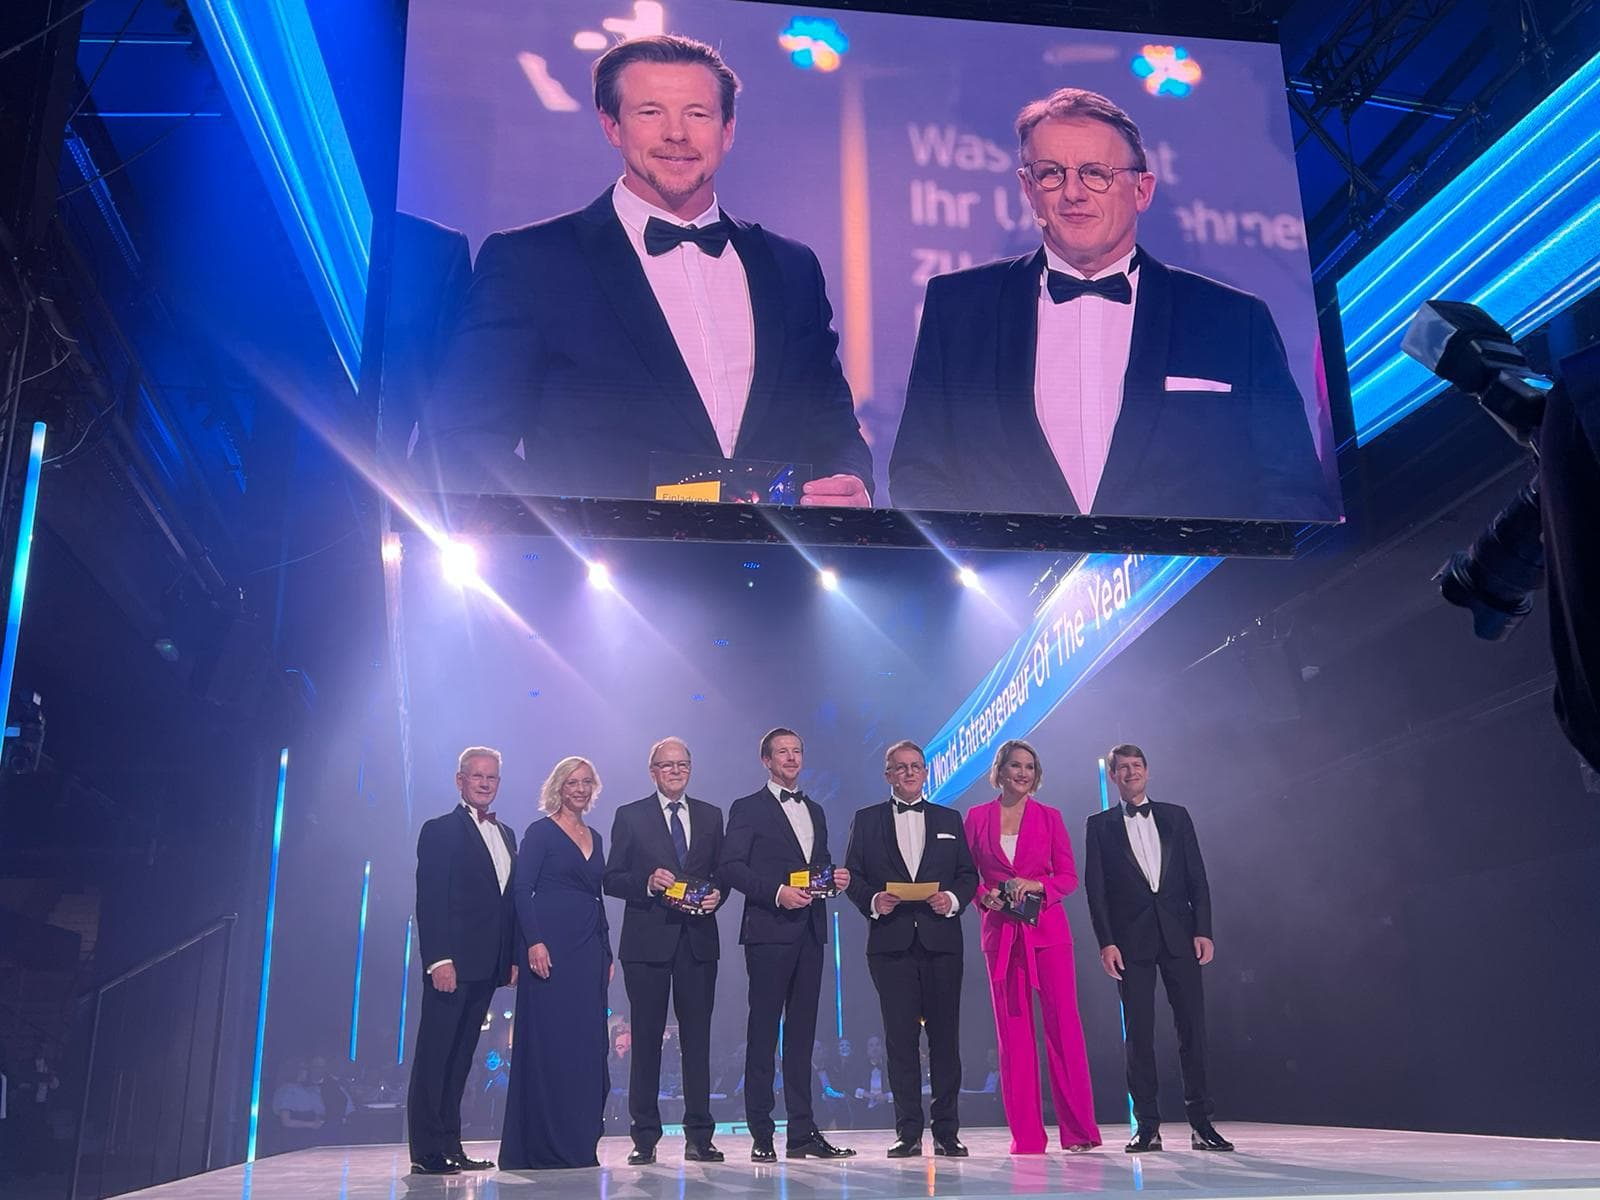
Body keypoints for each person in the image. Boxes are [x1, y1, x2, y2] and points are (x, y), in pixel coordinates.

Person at [427, 34, 873, 507]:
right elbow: (462, 439)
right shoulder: (532, 261)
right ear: (612, 126)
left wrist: (849, 480)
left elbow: (831, 422)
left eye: (697, 114)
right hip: (597, 569)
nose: (676, 133)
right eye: (650, 112)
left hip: (774, 567)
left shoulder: (791, 267)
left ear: (727, 130)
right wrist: (562, 528)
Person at [889, 88, 1333, 522]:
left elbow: (1292, 490)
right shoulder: (958, 309)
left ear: (1142, 190)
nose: (1074, 193)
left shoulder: (1235, 320)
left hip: (1198, 590)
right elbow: (918, 474)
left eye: (1096, 173)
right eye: (1051, 173)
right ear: (1027, 189)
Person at [1083, 743, 1233, 1153]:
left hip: (1180, 935)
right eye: (1123, 767)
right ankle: (1147, 1125)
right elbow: (1095, 891)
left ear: (1147, 771)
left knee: (1192, 1031)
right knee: (1140, 1036)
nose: (1131, 772)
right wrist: (1106, 942)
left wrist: (1204, 929)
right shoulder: (1099, 825)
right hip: (1130, 942)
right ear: (1112, 776)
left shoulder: (1176, 816)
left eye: (1137, 765)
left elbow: (1197, 877)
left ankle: (1202, 1123)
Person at [720, 728, 855, 1161]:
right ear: (766, 760)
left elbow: (816, 867)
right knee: (763, 1034)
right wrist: (776, 892)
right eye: (783, 752)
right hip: (768, 930)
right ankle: (761, 1133)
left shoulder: (814, 809)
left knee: (803, 1038)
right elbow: (731, 867)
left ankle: (802, 1133)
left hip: (811, 932)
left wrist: (834, 878)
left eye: (797, 751)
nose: (792, 758)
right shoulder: (747, 807)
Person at [963, 740, 1100, 1154]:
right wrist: (983, 896)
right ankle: (1026, 1138)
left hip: (1048, 934)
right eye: (1015, 765)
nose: (1023, 773)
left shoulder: (1050, 817)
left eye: (1030, 767)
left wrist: (1038, 884)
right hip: (1001, 936)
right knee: (1013, 1037)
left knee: (1065, 1030)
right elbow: (965, 875)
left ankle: (1079, 1132)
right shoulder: (976, 817)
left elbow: (1069, 877)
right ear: (1000, 770)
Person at [843, 740, 979, 1157]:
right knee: (900, 1041)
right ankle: (907, 1132)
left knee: (945, 1040)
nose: (908, 773)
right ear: (887, 775)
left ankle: (947, 1131)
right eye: (899, 768)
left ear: (925, 773)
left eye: (915, 767)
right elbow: (854, 875)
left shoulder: (949, 818)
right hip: (891, 943)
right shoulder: (866, 820)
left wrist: (952, 900)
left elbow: (967, 875)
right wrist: (872, 901)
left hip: (941, 941)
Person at [603, 736, 726, 1164]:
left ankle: (700, 1137)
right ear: (652, 771)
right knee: (648, 1041)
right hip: (646, 944)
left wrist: (718, 896)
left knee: (697, 1041)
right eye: (667, 765)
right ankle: (644, 1139)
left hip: (697, 941)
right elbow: (611, 877)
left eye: (682, 764)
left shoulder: (711, 815)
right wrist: (645, 882)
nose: (675, 771)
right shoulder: (630, 815)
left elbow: (722, 874)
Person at [408, 747, 518, 1175]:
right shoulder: (440, 830)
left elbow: (505, 904)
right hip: (451, 965)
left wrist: (508, 958)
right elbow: (431, 900)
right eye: (477, 776)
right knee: (436, 1056)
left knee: (461, 1058)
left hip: (488, 966)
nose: (485, 783)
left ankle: (451, 1144)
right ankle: (426, 1151)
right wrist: (438, 960)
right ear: (460, 780)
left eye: (492, 777)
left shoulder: (506, 833)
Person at [500, 757, 612, 1170]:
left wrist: (608, 949)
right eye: (572, 782)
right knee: (550, 1044)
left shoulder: (596, 836)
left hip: (589, 951)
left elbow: (597, 897)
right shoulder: (540, 831)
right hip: (549, 948)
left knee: (585, 1045)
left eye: (586, 782)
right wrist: (532, 942)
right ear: (558, 787)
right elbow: (521, 890)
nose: (579, 789)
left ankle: (579, 1143)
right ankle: (542, 1144)